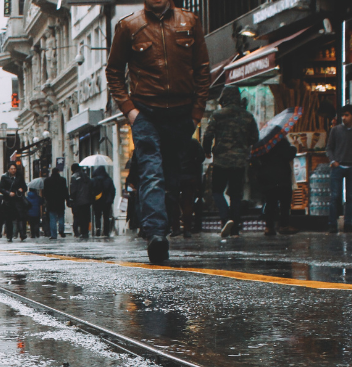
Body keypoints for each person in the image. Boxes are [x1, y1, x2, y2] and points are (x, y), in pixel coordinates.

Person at [106, 0, 210, 263]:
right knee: (152, 171)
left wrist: (196, 113)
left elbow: (202, 70)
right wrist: (131, 111)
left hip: (181, 114)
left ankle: (163, 226)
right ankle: (156, 235)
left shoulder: (190, 21)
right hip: (146, 113)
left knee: (172, 176)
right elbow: (114, 72)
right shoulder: (129, 25)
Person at [203, 86, 258, 238]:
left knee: (217, 191)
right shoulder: (247, 116)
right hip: (239, 161)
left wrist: (206, 150)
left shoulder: (218, 114)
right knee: (236, 195)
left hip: (221, 159)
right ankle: (235, 229)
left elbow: (208, 135)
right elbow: (255, 138)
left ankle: (225, 218)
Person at [324, 106, 352, 234]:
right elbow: (329, 147)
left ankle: (348, 223)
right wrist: (333, 161)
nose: (344, 118)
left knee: (350, 196)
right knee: (335, 196)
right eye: (342, 115)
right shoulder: (335, 130)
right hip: (338, 166)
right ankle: (332, 224)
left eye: (347, 115)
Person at [252, 136, 297, 236]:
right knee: (284, 202)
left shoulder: (264, 144)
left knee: (270, 202)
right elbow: (289, 155)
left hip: (267, 177)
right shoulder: (282, 142)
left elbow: (257, 158)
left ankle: (269, 227)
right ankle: (284, 226)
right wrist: (293, 146)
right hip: (282, 176)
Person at [170, 138, 205, 238]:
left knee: (174, 202)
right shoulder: (193, 142)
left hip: (175, 176)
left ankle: (176, 228)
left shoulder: (172, 142)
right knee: (188, 202)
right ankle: (187, 229)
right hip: (189, 176)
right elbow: (201, 157)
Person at [0, 164, 27, 241]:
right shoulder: (4, 177)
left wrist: (21, 189)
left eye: (14, 168)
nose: (13, 170)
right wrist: (8, 193)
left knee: (20, 217)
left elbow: (25, 187)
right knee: (9, 219)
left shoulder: (19, 177)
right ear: (8, 169)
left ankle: (22, 234)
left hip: (18, 200)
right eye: (11, 168)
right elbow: (1, 188)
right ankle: (9, 235)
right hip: (8, 201)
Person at [44, 162, 69, 239]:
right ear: (58, 172)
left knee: (52, 219)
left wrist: (47, 200)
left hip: (51, 202)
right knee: (61, 217)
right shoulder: (62, 180)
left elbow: (45, 192)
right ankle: (61, 230)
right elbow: (65, 190)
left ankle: (54, 235)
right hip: (60, 202)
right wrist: (67, 199)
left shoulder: (47, 180)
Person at [68, 164, 93, 238]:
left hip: (78, 201)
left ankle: (78, 232)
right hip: (87, 200)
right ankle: (85, 232)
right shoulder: (86, 176)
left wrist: (71, 199)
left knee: (78, 217)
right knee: (86, 217)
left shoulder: (74, 177)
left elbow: (73, 190)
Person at [91, 166, 116, 237]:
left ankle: (98, 229)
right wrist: (111, 199)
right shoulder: (109, 180)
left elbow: (91, 190)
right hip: (106, 202)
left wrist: (92, 199)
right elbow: (113, 190)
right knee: (106, 217)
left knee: (97, 216)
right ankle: (106, 231)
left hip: (97, 201)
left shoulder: (94, 180)